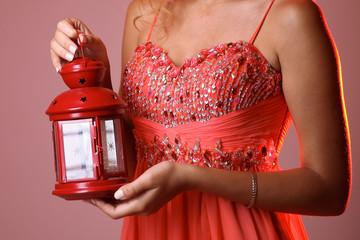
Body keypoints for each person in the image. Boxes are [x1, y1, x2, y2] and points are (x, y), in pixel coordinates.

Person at [50, 0, 352, 239]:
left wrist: (191, 177)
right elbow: (134, 165)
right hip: (156, 231)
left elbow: (330, 189)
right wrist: (95, 84)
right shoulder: (146, 12)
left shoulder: (290, 16)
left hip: (243, 231)